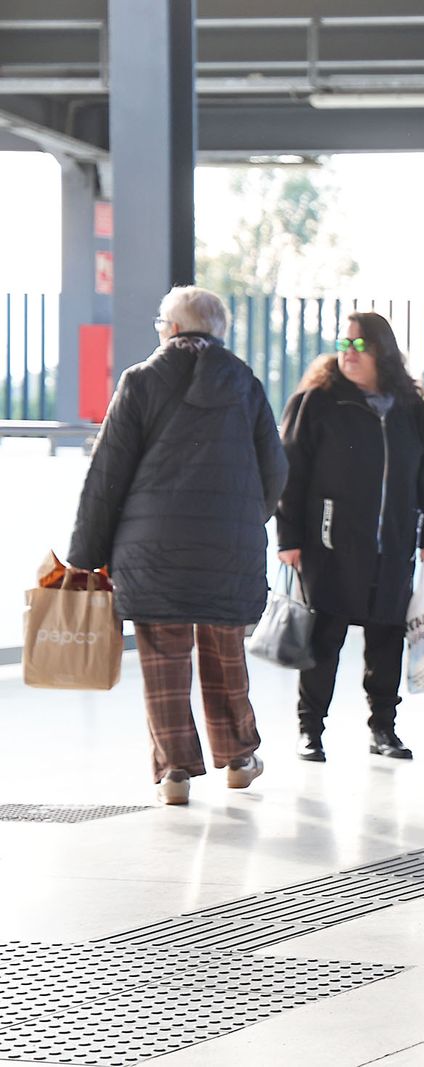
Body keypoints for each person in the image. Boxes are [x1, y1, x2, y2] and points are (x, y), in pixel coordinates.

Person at [67, 285, 286, 805]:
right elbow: (275, 468)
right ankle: (237, 758)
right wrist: (244, 520)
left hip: (152, 549)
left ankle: (175, 773)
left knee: (164, 658)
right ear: (217, 330)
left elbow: (107, 474)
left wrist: (84, 556)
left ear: (170, 327)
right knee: (224, 652)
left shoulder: (140, 381)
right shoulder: (244, 383)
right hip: (226, 548)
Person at [277, 312, 424, 763]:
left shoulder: (413, 411)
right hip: (328, 545)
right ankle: (310, 730)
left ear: (381, 352)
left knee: (388, 638)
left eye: (358, 346)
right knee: (324, 638)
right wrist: (288, 535)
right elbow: (289, 473)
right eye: (343, 344)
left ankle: (383, 730)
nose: (347, 354)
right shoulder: (318, 402)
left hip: (392, 547)